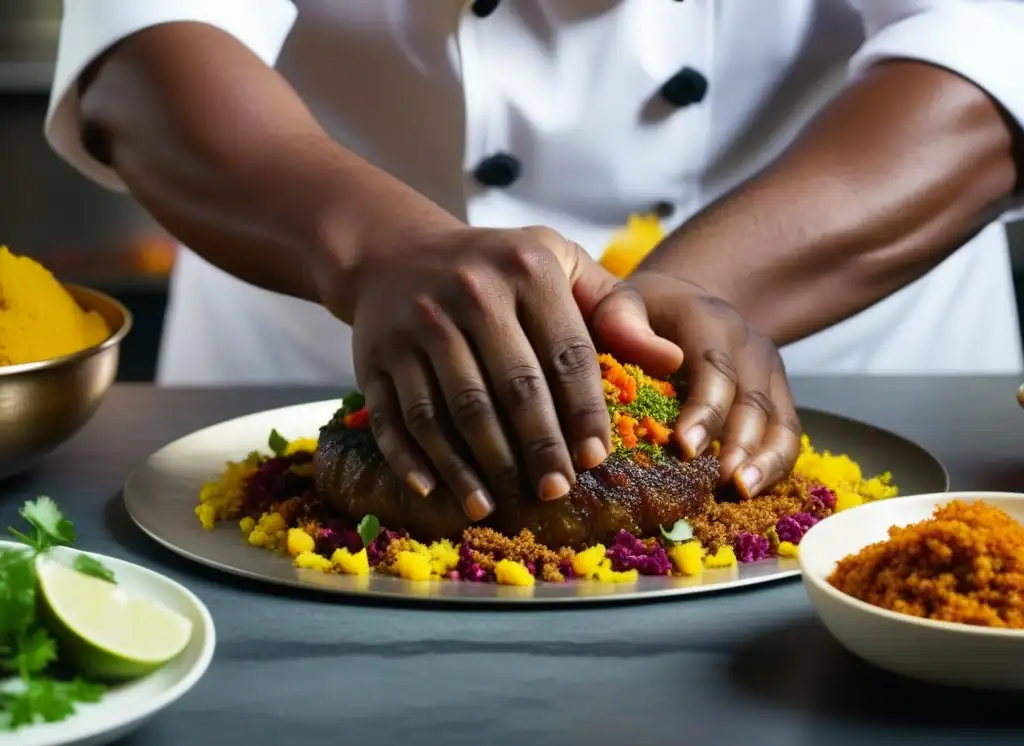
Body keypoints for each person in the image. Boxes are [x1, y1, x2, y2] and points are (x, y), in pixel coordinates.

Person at [45, 1, 1024, 519]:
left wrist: (682, 301)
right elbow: (138, 46)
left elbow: (994, 44)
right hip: (307, 378)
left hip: (863, 391)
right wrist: (376, 245)